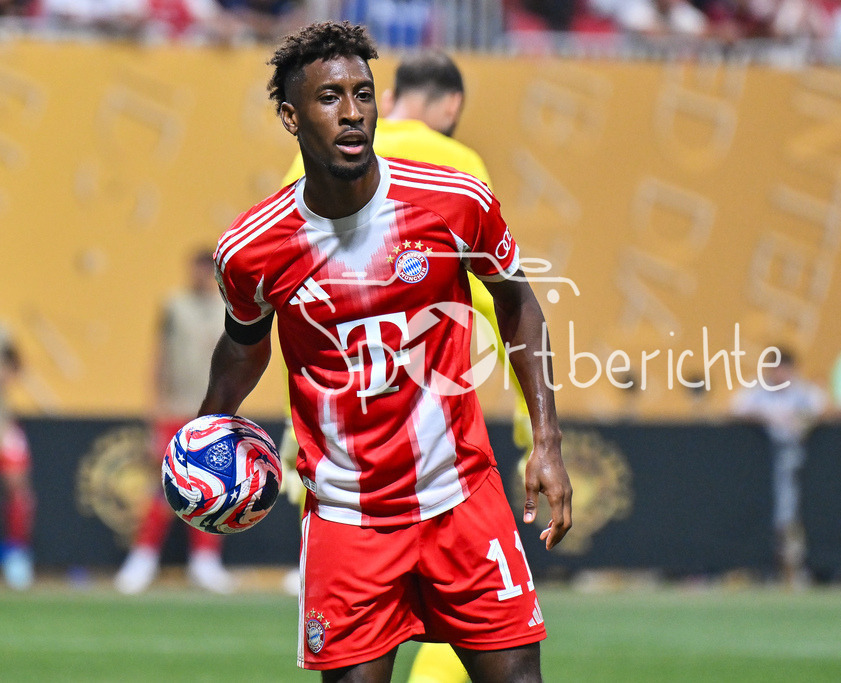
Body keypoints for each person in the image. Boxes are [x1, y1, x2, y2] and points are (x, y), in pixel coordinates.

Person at [200, 21, 571, 681]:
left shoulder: (454, 201)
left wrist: (546, 438)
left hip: (460, 498)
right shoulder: (252, 249)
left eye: (363, 94)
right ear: (290, 116)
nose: (352, 112)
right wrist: (209, 426)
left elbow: (518, 302)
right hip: (348, 520)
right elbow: (243, 343)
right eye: (329, 97)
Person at [281, 50, 533, 683]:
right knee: (485, 636)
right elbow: (499, 300)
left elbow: (294, 289)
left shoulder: (309, 156)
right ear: (451, 105)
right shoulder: (460, 168)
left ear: (386, 99)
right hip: (444, 448)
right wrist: (535, 430)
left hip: (343, 456)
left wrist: (291, 427)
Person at [115, 249, 235, 595]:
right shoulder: (174, 306)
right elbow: (159, 357)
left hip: (212, 412)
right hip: (175, 409)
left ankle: (205, 561)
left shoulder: (228, 308)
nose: (201, 275)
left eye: (207, 269)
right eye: (197, 268)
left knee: (212, 487)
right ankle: (143, 557)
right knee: (164, 486)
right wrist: (154, 407)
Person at [732, 347, 827, 586]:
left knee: (791, 517)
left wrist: (799, 420)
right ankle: (767, 570)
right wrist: (765, 417)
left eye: (783, 368)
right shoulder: (756, 392)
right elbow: (736, 409)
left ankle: (795, 570)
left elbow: (822, 409)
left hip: (799, 464)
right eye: (774, 368)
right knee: (772, 516)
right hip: (761, 467)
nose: (779, 374)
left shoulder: (804, 393)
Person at [0, 323, 35, 590]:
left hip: (4, 424)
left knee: (19, 489)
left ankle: (16, 554)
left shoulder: (4, 334)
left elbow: (18, 366)